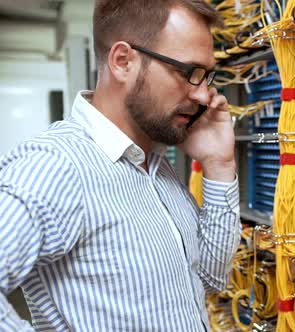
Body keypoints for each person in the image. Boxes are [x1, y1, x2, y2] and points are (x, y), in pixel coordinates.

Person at [0, 0, 240, 330]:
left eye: (206, 76)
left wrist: (219, 165)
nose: (203, 96)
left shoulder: (157, 168)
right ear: (123, 61)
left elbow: (210, 279)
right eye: (188, 73)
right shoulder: (56, 166)